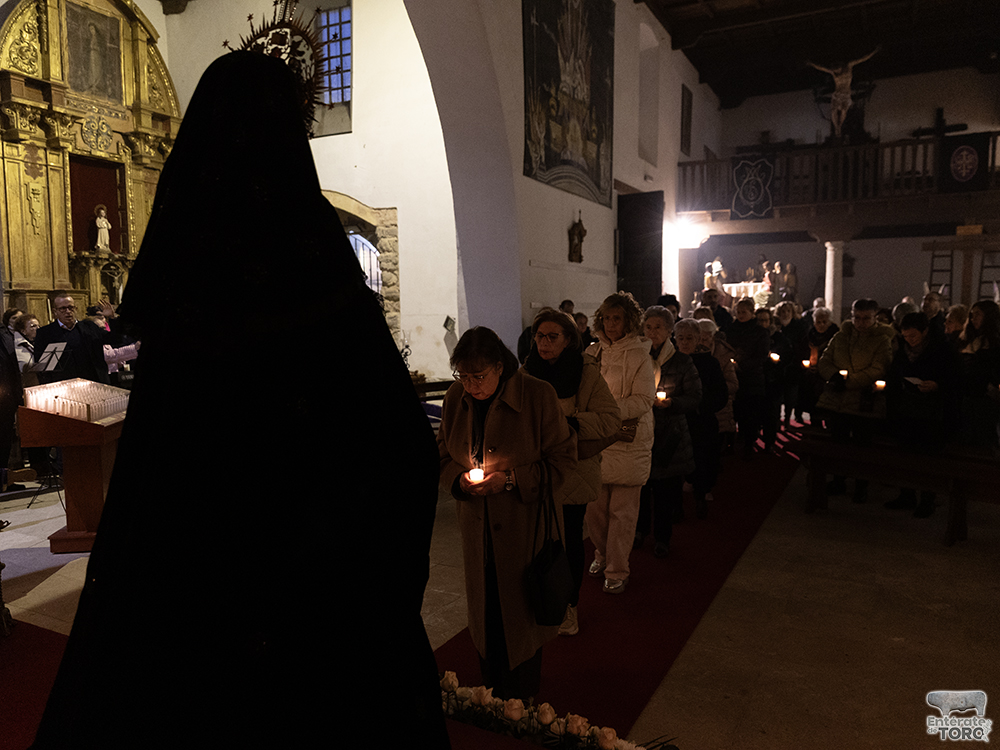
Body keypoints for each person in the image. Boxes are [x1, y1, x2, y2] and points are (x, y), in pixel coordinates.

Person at [32, 52, 449, 749]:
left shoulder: (187, 275)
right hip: (317, 596)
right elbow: (402, 454)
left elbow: (157, 461)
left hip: (187, 597)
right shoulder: (313, 261)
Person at [439, 326, 576, 698]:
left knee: (519, 620)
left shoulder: (536, 396)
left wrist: (511, 480)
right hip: (477, 533)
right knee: (486, 617)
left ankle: (522, 700)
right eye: (463, 376)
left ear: (500, 367)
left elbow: (564, 460)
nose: (471, 386)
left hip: (523, 532)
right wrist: (459, 481)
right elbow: (440, 455)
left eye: (478, 376)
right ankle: (493, 693)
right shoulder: (456, 398)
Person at [521, 309, 619, 637]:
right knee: (538, 542)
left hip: (574, 471)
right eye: (540, 336)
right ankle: (541, 602)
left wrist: (573, 423)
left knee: (569, 541)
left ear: (568, 340)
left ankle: (568, 606)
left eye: (553, 336)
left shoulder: (585, 372)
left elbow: (610, 420)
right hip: (536, 470)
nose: (545, 343)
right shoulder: (525, 373)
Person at [585, 292, 655, 594]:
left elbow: (644, 399)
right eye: (607, 318)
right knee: (595, 511)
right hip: (597, 439)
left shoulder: (639, 354)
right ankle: (602, 554)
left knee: (622, 514)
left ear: (628, 321)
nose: (611, 324)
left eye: (617, 318)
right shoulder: (591, 352)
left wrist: (608, 411)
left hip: (627, 440)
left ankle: (618, 568)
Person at [636, 306, 699, 555]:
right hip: (642, 431)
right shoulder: (637, 357)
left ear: (669, 330)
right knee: (640, 488)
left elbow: (695, 396)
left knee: (665, 492)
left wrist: (672, 403)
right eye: (648, 327)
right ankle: (640, 531)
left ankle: (662, 537)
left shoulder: (681, 361)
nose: (652, 332)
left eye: (658, 327)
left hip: (669, 435)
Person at [816, 298, 893, 502]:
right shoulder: (841, 336)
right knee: (838, 445)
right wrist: (833, 376)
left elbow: (878, 369)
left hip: (863, 402)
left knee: (861, 448)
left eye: (866, 318)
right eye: (857, 318)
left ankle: (861, 485)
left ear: (875, 318)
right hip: (838, 402)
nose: (861, 323)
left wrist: (847, 382)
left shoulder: (882, 340)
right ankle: (839, 480)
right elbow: (825, 360)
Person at [885, 312, 959, 517]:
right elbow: (895, 373)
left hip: (931, 413)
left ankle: (927, 500)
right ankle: (906, 494)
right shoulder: (903, 350)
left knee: (927, 460)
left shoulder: (942, 350)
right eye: (905, 336)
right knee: (905, 457)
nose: (909, 340)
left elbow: (954, 378)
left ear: (925, 332)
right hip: (906, 410)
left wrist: (937, 385)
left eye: (913, 336)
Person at [674, 318, 726, 517]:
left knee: (703, 459)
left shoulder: (709, 363)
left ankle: (701, 496)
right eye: (681, 338)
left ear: (698, 339)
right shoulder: (671, 361)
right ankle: (676, 506)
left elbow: (720, 394)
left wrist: (700, 405)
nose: (685, 342)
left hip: (701, 420)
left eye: (689, 338)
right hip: (677, 418)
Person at [33, 294, 121, 384]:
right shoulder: (45, 333)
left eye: (71, 307)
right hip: (63, 385)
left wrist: (112, 318)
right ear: (55, 312)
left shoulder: (89, 327)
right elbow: (41, 367)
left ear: (75, 309)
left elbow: (115, 340)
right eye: (63, 308)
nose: (68, 311)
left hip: (93, 381)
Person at [725, 297, 769, 459]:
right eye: (738, 312)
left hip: (752, 379)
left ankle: (749, 443)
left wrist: (742, 365)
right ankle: (732, 442)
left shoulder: (760, 332)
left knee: (750, 414)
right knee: (734, 412)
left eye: (744, 312)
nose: (740, 315)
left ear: (751, 313)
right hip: (732, 375)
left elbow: (761, 355)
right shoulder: (730, 329)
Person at [955, 300, 1000, 449]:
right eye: (972, 315)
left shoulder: (995, 343)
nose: (973, 319)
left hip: (985, 398)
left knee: (983, 438)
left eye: (978, 315)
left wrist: (990, 386)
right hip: (966, 395)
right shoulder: (969, 340)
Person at [698, 318, 739, 456]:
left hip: (720, 407)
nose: (701, 342)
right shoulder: (694, 353)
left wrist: (715, 387)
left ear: (712, 337)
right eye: (699, 338)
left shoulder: (722, 356)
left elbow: (733, 384)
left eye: (705, 338)